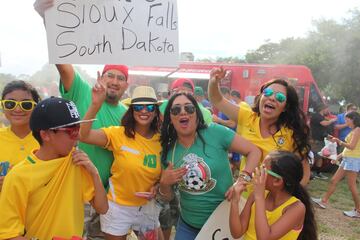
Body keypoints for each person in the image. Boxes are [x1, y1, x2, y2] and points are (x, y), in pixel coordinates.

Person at [34, 1, 130, 237]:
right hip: (75, 189)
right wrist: (48, 19)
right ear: (102, 76)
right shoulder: (82, 91)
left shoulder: (127, 115)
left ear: (127, 85)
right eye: (110, 75)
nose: (115, 81)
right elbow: (64, 66)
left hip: (108, 194)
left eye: (121, 78)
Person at [0, 97, 108, 239]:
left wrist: (94, 172)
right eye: (71, 131)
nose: (77, 138)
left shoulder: (76, 162)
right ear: (45, 134)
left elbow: (102, 208)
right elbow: (8, 234)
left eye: (78, 129)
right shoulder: (18, 176)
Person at [158, 92, 261, 240]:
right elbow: (167, 197)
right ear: (170, 118)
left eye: (189, 108)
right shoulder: (168, 149)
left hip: (223, 222)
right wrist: (164, 184)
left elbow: (254, 151)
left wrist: (242, 178)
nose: (183, 112)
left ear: (197, 114)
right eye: (176, 110)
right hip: (188, 226)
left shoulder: (215, 132)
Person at [80, 84, 164, 240]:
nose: (144, 111)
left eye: (150, 107)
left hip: (147, 207)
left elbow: (164, 172)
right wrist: (95, 105)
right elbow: (83, 135)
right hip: (117, 208)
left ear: (155, 111)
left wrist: (157, 187)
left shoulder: (162, 140)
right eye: (138, 107)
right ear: (132, 110)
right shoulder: (118, 134)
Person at [208, 68, 311, 186]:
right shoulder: (248, 117)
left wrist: (289, 198)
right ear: (261, 96)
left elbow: (304, 174)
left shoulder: (291, 133)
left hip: (272, 202)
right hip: (244, 197)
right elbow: (217, 100)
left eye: (280, 97)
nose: (272, 98)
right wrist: (214, 81)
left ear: (286, 107)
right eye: (267, 93)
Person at [158, 78, 213, 240]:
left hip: (195, 171)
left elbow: (206, 138)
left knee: (184, 208)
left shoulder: (205, 113)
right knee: (167, 213)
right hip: (170, 162)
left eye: (187, 90)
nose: (183, 112)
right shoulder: (162, 107)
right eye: (178, 90)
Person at [229, 151, 317, 240]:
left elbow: (264, 238)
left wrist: (259, 197)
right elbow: (237, 233)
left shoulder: (296, 208)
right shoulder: (255, 196)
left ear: (277, 181)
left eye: (262, 169)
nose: (257, 172)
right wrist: (235, 201)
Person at [312, 111, 360, 218]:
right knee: (334, 180)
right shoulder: (354, 130)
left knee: (352, 187)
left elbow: (351, 147)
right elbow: (348, 150)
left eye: (347, 119)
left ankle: (358, 210)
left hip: (352, 160)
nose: (346, 121)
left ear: (353, 119)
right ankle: (323, 201)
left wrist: (338, 141)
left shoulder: (357, 130)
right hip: (348, 159)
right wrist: (337, 157)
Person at [0, 81, 41, 191]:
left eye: (26, 104)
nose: (18, 109)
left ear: (36, 107)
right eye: (10, 104)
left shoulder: (48, 140)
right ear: (3, 106)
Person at [310, 104, 337, 180]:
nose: (328, 111)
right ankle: (308, 173)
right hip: (316, 140)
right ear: (323, 109)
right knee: (313, 157)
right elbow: (324, 123)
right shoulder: (316, 116)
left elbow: (322, 130)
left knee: (320, 157)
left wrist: (329, 137)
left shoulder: (321, 117)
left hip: (321, 140)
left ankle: (318, 173)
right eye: (327, 109)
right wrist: (333, 120)